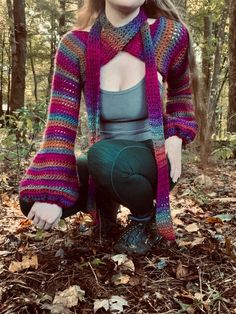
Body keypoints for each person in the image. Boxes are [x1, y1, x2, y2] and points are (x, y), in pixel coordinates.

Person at [19, 0, 199, 255]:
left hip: (152, 158)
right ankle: (107, 206)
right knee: (33, 197)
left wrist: (176, 133)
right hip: (104, 161)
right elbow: (60, 124)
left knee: (102, 157)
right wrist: (52, 190)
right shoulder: (75, 46)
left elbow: (181, 90)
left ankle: (143, 219)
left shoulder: (167, 35)